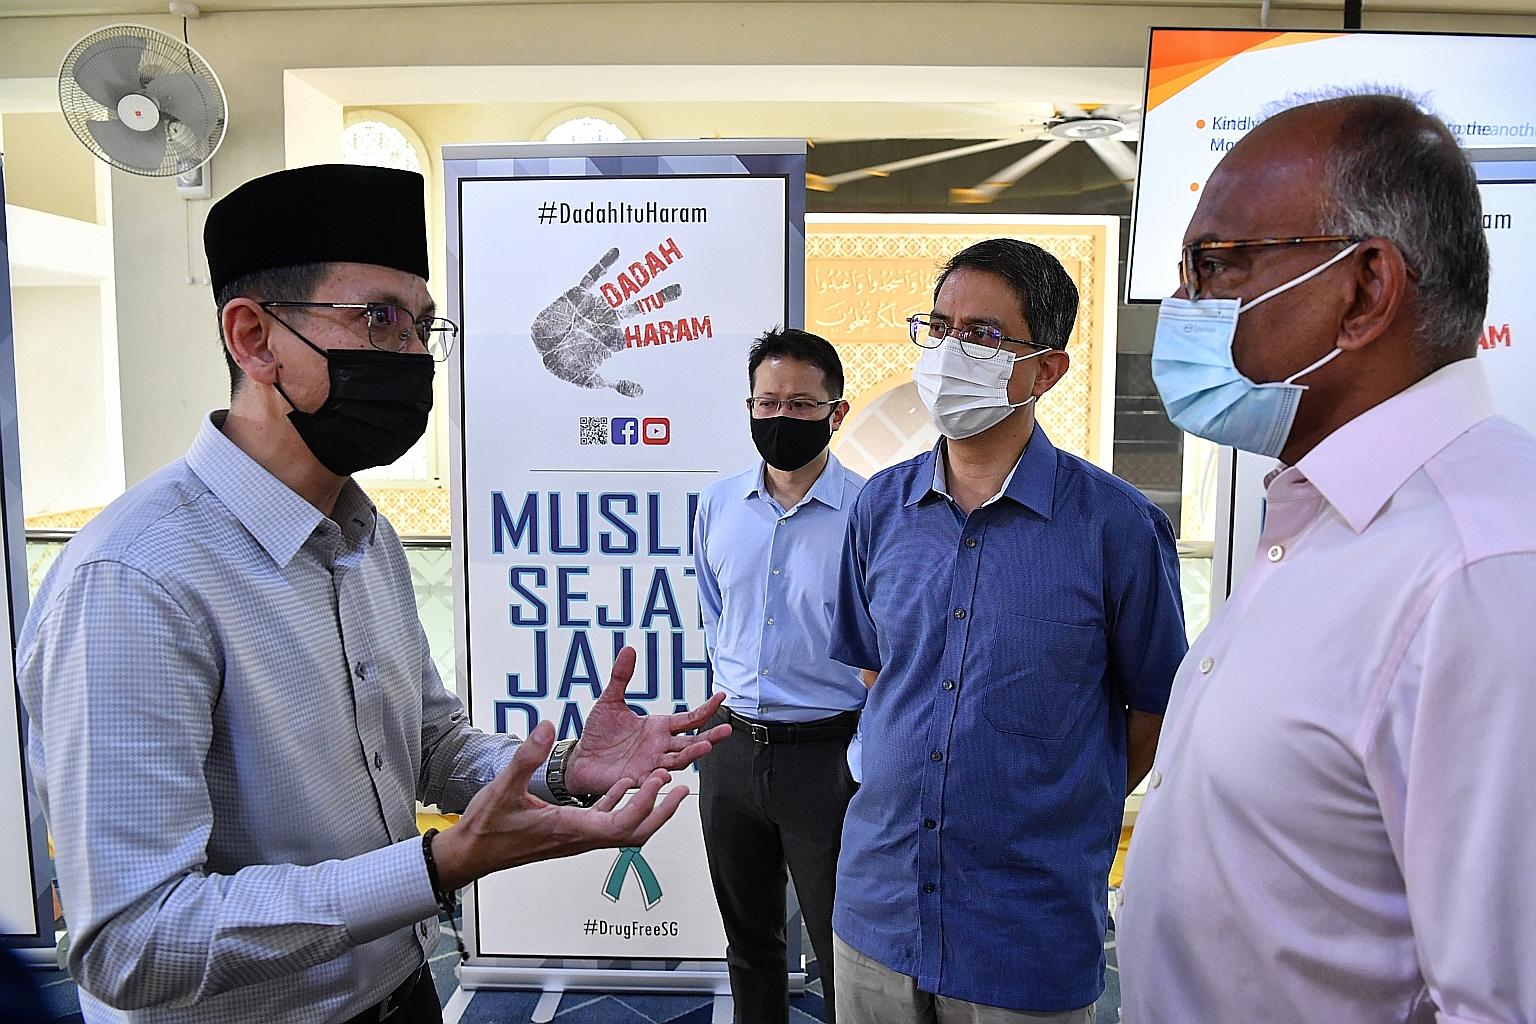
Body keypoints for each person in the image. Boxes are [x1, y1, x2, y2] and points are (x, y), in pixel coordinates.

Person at [16, 163, 730, 1024]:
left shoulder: (362, 534)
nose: (415, 355)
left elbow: (425, 743)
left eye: (426, 326)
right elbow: (132, 943)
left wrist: (564, 766)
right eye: (379, 319)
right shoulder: (134, 583)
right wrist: (435, 867)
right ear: (253, 338)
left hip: (400, 991)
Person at [1119, 92, 1536, 1023]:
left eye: (1217, 263)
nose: (1183, 305)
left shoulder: (1481, 568)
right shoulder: (1320, 516)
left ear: (1365, 290)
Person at [827, 238, 1188, 1023]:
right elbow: (876, 673)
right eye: (941, 326)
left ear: (1047, 371)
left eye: (985, 335)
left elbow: (1156, 710)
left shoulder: (1117, 527)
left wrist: (1044, 802)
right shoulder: (878, 509)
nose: (953, 351)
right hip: (875, 908)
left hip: (1025, 927)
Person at [693, 328, 866, 1023]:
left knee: (843, 950)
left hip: (830, 757)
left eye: (801, 405)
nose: (780, 419)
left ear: (837, 412)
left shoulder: (871, 513)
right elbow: (714, 612)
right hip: (731, 752)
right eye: (768, 403)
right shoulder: (716, 505)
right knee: (748, 946)